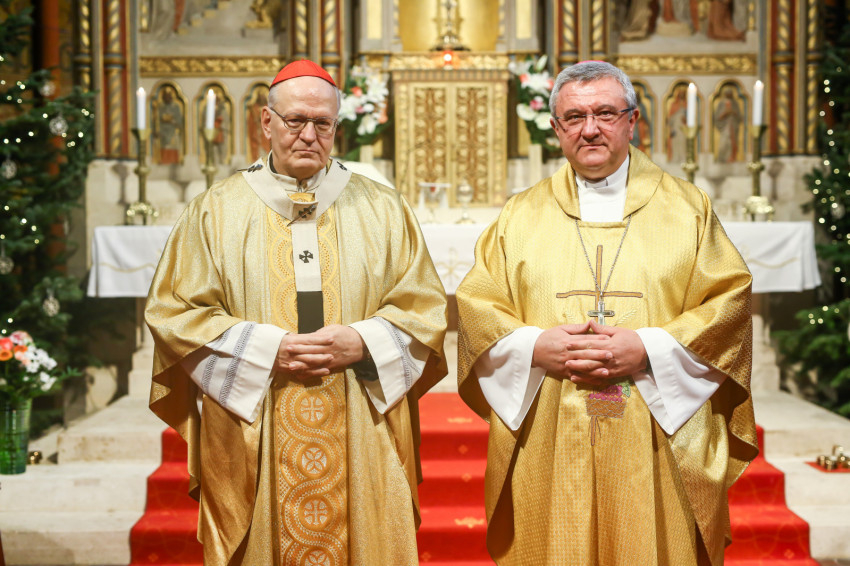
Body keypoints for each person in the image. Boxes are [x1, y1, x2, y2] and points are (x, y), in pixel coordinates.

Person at [146, 60, 448, 565]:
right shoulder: (215, 210)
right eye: (295, 121)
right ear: (267, 122)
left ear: (337, 127)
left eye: (322, 123)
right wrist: (269, 349)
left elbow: (425, 308)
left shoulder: (382, 208)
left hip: (360, 415)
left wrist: (363, 342)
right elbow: (175, 313)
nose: (309, 135)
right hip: (258, 418)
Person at [456, 60, 756, 565]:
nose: (590, 129)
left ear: (632, 120)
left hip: (658, 432)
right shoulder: (520, 214)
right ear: (556, 129)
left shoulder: (688, 209)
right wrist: (535, 346)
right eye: (574, 117)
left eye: (605, 113)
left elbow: (729, 302)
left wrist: (648, 348)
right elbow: (477, 306)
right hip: (549, 425)